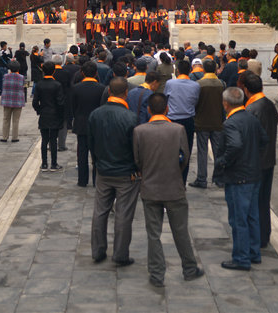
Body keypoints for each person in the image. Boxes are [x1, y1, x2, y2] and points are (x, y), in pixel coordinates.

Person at [133, 93, 205, 287]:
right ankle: (189, 268)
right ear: (167, 109)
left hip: (150, 188)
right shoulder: (178, 129)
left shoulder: (139, 131)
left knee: (153, 233)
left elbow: (138, 160)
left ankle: (157, 274)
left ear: (148, 110)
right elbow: (185, 157)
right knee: (180, 230)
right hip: (174, 187)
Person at [88, 77, 140, 266]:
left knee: (100, 211)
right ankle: (120, 254)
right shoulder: (131, 117)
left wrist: (97, 162)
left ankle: (98, 250)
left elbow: (91, 144)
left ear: (109, 92)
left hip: (103, 170)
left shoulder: (95, 114)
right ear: (126, 93)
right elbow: (136, 149)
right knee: (123, 214)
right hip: (126, 173)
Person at [216, 87, 268, 271]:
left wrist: (223, 161)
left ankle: (241, 257)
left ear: (226, 103)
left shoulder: (230, 123)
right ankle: (254, 252)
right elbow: (264, 139)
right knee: (252, 216)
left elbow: (235, 145)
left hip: (239, 177)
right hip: (254, 174)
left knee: (239, 219)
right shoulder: (251, 118)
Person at [240, 72, 278, 248]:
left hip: (255, 162)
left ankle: (255, 238)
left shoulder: (251, 110)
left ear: (246, 90)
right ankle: (264, 235)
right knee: (264, 200)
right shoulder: (270, 105)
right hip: (268, 159)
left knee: (252, 202)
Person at [189, 59, 225, 189]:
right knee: (218, 151)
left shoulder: (199, 84)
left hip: (202, 121)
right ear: (215, 69)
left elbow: (194, 103)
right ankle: (220, 178)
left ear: (203, 69)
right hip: (217, 121)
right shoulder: (221, 84)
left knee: (202, 151)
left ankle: (201, 178)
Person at [163, 59, 200, 185]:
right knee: (186, 151)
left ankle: (170, 179)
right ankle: (182, 181)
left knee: (170, 150)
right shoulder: (195, 86)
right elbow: (195, 102)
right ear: (190, 71)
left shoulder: (170, 83)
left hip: (172, 119)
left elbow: (165, 99)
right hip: (188, 120)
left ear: (177, 71)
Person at [71, 61, 107, 187]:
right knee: (97, 154)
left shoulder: (76, 88)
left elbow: (73, 107)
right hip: (97, 124)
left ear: (82, 73)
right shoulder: (102, 88)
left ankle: (82, 180)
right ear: (96, 73)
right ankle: (96, 180)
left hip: (81, 123)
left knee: (82, 153)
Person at [33, 61, 65, 171]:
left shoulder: (39, 84)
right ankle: (54, 164)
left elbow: (35, 102)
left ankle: (44, 164)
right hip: (55, 114)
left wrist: (39, 110)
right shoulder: (57, 85)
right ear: (54, 71)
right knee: (53, 141)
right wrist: (61, 114)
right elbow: (60, 102)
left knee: (44, 140)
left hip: (44, 114)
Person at [0, 60, 25, 143]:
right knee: (16, 120)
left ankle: (4, 136)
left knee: (6, 119)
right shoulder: (21, 77)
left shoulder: (5, 76)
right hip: (18, 101)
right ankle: (15, 137)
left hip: (7, 100)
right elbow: (23, 87)